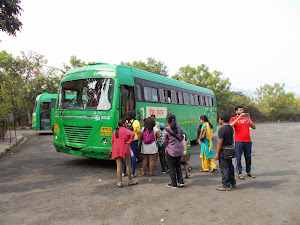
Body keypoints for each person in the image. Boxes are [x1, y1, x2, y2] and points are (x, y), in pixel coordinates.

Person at [230, 105, 256, 180]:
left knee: (248, 157)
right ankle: (239, 173)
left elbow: (254, 127)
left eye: (242, 110)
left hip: (247, 141)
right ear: (236, 111)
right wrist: (239, 117)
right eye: (240, 110)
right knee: (238, 157)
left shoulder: (247, 118)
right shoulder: (233, 118)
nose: (242, 111)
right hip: (238, 141)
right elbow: (231, 125)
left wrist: (249, 123)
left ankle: (248, 171)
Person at [110, 118, 138, 187]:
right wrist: (129, 142)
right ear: (123, 124)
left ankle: (120, 182)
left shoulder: (115, 131)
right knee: (128, 165)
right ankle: (130, 181)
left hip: (116, 149)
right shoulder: (126, 130)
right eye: (125, 123)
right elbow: (133, 134)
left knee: (118, 166)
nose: (126, 124)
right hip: (125, 149)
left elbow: (112, 141)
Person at [162, 114, 185, 188]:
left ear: (167, 121)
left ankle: (174, 183)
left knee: (171, 167)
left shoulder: (166, 130)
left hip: (170, 151)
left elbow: (164, 142)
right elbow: (181, 138)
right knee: (178, 165)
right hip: (179, 150)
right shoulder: (179, 127)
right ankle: (181, 181)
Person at [215, 113, 236, 191]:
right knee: (230, 166)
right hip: (230, 149)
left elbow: (220, 142)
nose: (219, 120)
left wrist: (217, 153)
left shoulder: (222, 129)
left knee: (224, 167)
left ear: (222, 120)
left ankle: (225, 185)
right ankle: (232, 182)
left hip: (224, 151)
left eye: (219, 119)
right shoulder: (230, 128)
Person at [122, 110, 140, 178]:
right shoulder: (136, 122)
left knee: (125, 156)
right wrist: (139, 141)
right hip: (134, 140)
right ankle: (132, 173)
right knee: (133, 157)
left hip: (126, 141)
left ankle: (123, 172)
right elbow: (138, 133)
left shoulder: (125, 121)